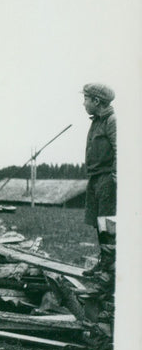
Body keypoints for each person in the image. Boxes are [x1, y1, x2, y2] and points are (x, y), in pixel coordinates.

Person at [81, 83, 116, 282]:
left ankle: (109, 267)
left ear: (96, 101)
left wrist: (116, 175)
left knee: (108, 222)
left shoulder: (111, 121)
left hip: (107, 178)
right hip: (95, 177)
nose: (83, 103)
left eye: (86, 99)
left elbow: (120, 149)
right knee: (99, 222)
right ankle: (105, 262)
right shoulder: (96, 122)